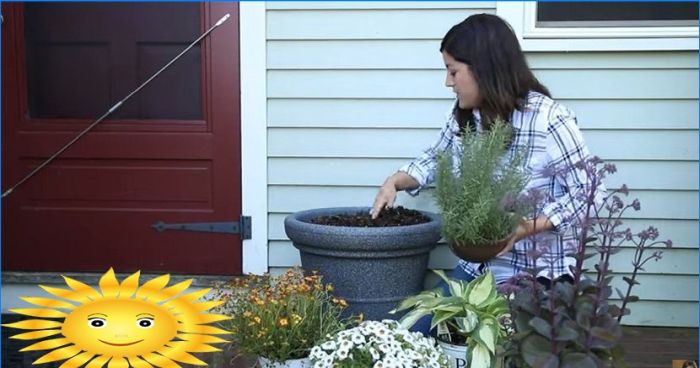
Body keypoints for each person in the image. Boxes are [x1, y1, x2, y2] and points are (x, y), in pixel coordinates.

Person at [371, 14, 595, 334]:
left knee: (486, 345)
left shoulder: (549, 119)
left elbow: (589, 193)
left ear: (483, 68)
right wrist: (394, 181)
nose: (448, 83)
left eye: (453, 72)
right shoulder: (467, 115)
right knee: (410, 333)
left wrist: (525, 228)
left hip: (538, 278)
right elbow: (436, 158)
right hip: (476, 269)